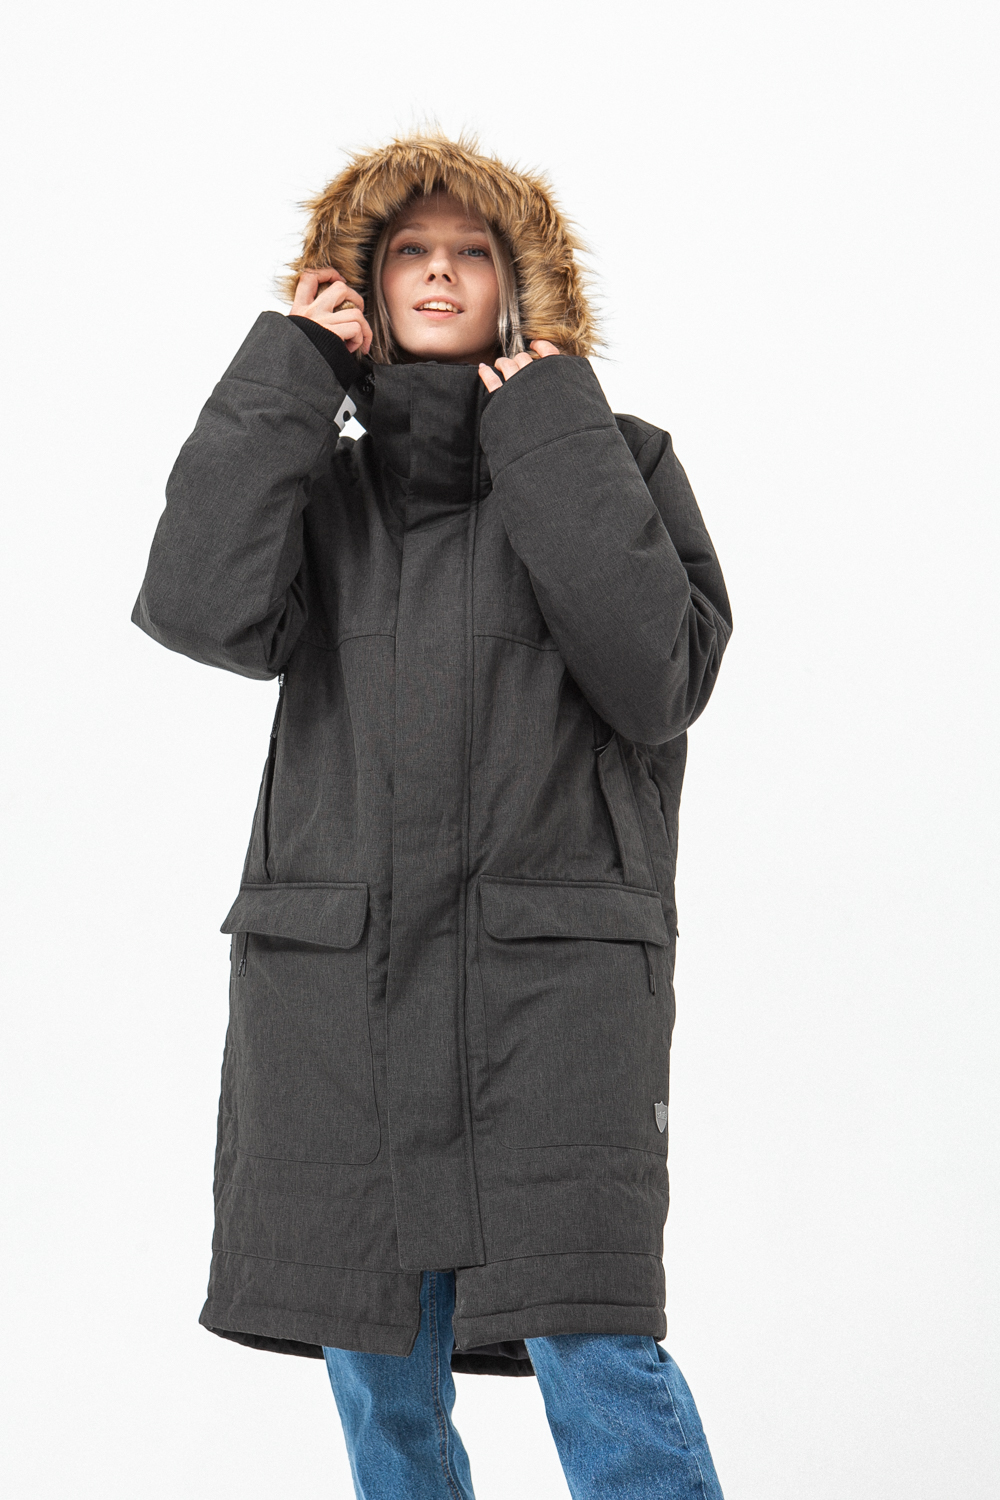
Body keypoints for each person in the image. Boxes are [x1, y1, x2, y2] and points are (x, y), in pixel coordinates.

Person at [132, 131, 732, 1499]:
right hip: (343, 980)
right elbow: (197, 605)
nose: (443, 274)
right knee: (378, 1355)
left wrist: (549, 425)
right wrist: (296, 369)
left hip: (553, 989)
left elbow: (657, 678)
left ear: (523, 282)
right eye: (412, 252)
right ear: (366, 278)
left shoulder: (617, 459)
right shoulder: (323, 492)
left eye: (473, 252)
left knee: (593, 1335)